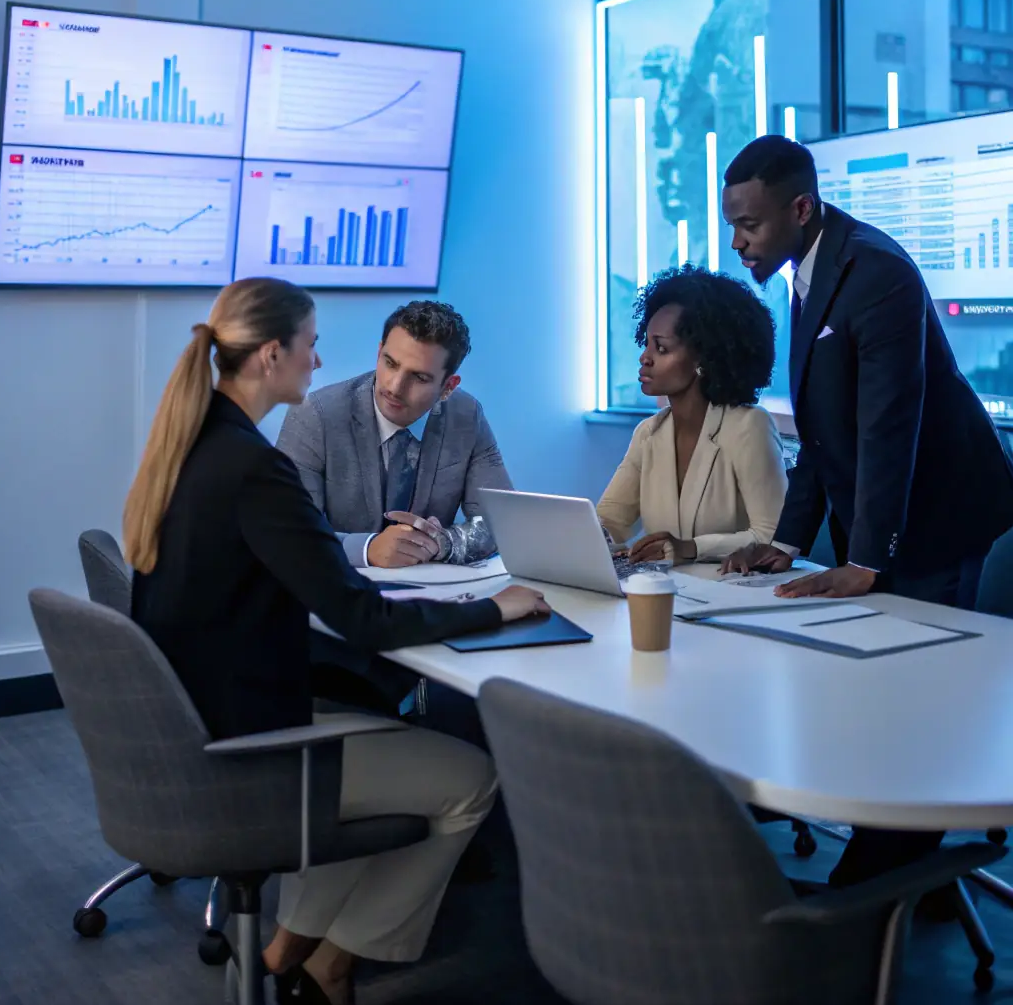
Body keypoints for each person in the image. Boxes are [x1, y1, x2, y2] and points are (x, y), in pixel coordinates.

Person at [126, 278, 547, 1003]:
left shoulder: (195, 446)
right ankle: (334, 957)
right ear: (271, 355)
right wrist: (493, 609)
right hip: (251, 752)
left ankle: (295, 948)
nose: (322, 363)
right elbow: (366, 619)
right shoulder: (257, 470)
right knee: (471, 777)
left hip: (204, 726)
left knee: (390, 754)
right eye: (312, 345)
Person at [721, 134, 1013, 888]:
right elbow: (823, 429)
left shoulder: (876, 273)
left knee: (920, 711)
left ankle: (871, 897)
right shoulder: (807, 271)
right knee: (879, 702)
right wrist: (788, 540)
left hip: (942, 512)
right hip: (890, 520)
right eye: (730, 223)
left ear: (800, 207)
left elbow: (889, 426)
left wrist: (865, 560)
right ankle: (916, 878)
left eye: (748, 223)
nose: (737, 239)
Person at [278, 300, 511, 569]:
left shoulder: (467, 416)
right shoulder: (316, 415)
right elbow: (288, 531)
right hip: (336, 588)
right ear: (379, 353)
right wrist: (366, 549)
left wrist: (443, 542)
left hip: (433, 596)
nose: (394, 387)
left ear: (448, 386)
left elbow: (502, 524)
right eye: (390, 363)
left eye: (419, 378)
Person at [597, 265, 787, 564]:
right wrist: (588, 536)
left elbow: (772, 535)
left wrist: (691, 547)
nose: (644, 357)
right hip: (670, 591)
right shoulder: (649, 433)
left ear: (705, 357)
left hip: (731, 594)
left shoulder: (748, 426)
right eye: (646, 343)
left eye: (661, 347)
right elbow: (611, 520)